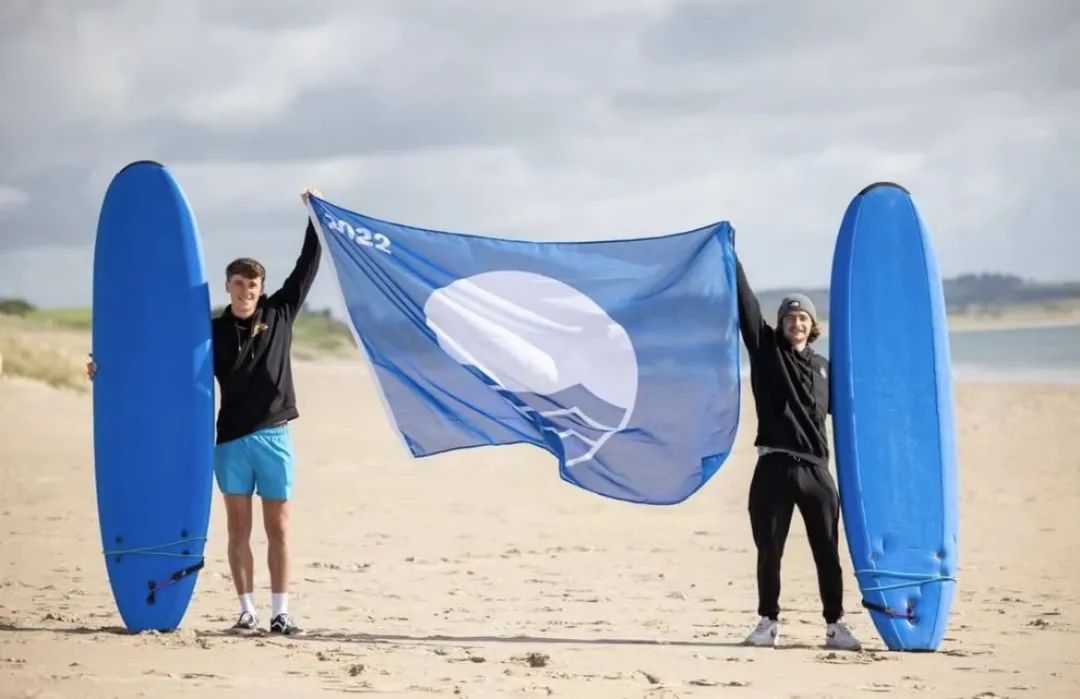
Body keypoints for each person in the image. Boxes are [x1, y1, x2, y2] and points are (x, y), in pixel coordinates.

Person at [89, 189, 322, 635]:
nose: (245, 291)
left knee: (280, 529)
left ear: (262, 289)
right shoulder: (210, 331)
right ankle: (247, 611)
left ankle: (280, 612)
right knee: (238, 530)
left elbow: (307, 266)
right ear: (228, 286)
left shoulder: (282, 312)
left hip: (274, 436)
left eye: (252, 285)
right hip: (230, 439)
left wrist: (315, 217)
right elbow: (160, 358)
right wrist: (106, 370)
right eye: (238, 284)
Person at [733, 252, 862, 651]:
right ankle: (767, 621)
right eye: (790, 317)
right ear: (781, 323)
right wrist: (732, 258)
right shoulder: (767, 353)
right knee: (769, 549)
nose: (796, 322)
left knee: (827, 550)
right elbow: (748, 308)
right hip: (773, 466)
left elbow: (857, 412)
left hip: (816, 472)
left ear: (813, 324)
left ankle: (835, 624)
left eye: (802, 317)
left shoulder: (826, 368)